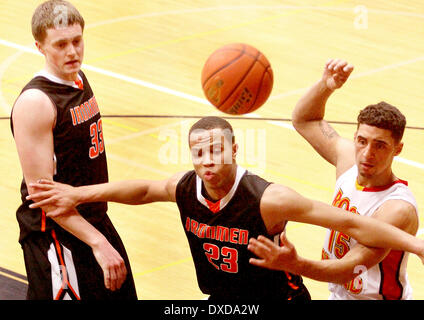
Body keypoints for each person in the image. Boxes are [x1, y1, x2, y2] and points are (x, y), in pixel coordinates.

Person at [27, 116, 424, 300]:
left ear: (234, 150)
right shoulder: (185, 188)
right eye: (199, 153)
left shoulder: (269, 199)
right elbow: (144, 189)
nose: (208, 161)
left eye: (217, 150)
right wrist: (79, 194)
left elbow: (349, 221)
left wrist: (418, 246)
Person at [248, 58, 419, 300]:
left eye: (380, 146)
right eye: (362, 141)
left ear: (397, 149)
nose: (368, 153)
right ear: (356, 137)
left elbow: (349, 270)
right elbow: (305, 120)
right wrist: (326, 85)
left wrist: (296, 264)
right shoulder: (349, 160)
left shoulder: (397, 209)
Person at [11, 0, 137, 300]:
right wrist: (98, 243)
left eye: (77, 41)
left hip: (91, 218)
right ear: (40, 46)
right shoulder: (36, 103)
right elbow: (43, 196)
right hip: (54, 233)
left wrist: (98, 236)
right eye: (60, 44)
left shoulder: (79, 79)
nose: (72, 51)